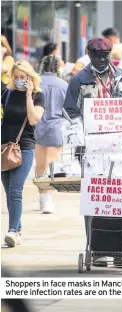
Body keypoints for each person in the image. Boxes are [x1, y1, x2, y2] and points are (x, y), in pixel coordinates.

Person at [64, 37, 122, 266]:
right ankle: (98, 249)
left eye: (106, 55)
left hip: (121, 148)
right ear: (89, 54)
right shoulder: (80, 79)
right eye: (98, 55)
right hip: (91, 149)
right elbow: (69, 112)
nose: (103, 59)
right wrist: (81, 132)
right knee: (96, 197)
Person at [1, 60, 45, 247]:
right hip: (4, 147)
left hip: (24, 146)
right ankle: (17, 229)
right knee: (8, 191)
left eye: (23, 77)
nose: (19, 80)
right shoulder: (7, 94)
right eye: (16, 77)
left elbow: (34, 119)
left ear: (30, 77)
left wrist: (28, 95)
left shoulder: (38, 95)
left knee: (16, 190)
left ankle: (13, 231)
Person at [35, 55, 68, 213]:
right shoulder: (63, 85)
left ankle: (42, 198)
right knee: (52, 167)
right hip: (56, 127)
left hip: (36, 126)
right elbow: (68, 108)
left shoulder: (36, 82)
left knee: (40, 166)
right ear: (57, 68)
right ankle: (48, 201)